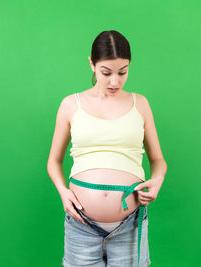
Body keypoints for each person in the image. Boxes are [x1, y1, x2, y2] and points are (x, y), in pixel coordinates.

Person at [47, 30, 167, 267]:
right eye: (106, 72)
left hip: (128, 226)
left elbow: (158, 159)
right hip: (81, 226)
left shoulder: (140, 104)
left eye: (123, 72)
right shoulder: (71, 105)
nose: (115, 81)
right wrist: (63, 192)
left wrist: (158, 180)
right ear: (92, 64)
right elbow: (53, 161)